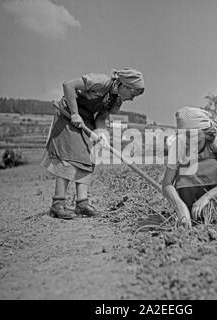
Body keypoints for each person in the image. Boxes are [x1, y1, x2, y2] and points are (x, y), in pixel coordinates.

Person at [42, 68, 145, 219]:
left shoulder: (116, 100)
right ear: (124, 86)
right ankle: (57, 204)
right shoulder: (101, 82)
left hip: (87, 119)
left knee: (89, 157)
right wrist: (75, 113)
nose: (132, 99)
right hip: (68, 114)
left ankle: (81, 204)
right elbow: (68, 85)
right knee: (69, 157)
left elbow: (101, 117)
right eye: (133, 94)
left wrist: (101, 133)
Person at [162, 107, 217, 228]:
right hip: (190, 204)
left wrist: (207, 197)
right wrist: (180, 207)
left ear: (206, 132)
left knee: (212, 165)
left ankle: (215, 214)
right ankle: (190, 214)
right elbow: (167, 183)